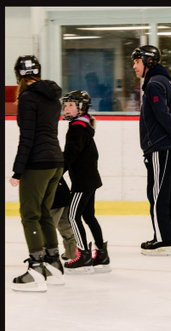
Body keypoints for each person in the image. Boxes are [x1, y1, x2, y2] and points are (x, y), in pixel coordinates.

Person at [9, 55, 66, 292]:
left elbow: (28, 138)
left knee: (29, 214)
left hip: (38, 164)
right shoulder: (52, 98)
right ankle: (53, 263)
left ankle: (35, 268)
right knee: (43, 211)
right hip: (56, 161)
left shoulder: (27, 98)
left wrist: (17, 171)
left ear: (19, 75)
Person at [131, 45, 171, 255]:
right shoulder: (166, 82)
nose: (134, 66)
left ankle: (163, 241)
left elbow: (164, 117)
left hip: (159, 147)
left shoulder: (154, 84)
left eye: (137, 62)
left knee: (157, 194)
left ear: (148, 63)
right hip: (169, 147)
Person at [59, 90, 110, 273]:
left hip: (82, 182)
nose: (66, 108)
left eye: (71, 105)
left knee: (73, 216)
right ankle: (102, 255)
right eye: (65, 105)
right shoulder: (84, 125)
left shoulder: (77, 128)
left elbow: (70, 155)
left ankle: (83, 255)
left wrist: (57, 173)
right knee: (88, 216)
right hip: (89, 180)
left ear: (81, 108)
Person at [50, 176, 76, 261]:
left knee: (47, 230)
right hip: (64, 194)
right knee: (66, 227)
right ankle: (71, 253)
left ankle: (48, 257)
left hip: (53, 197)